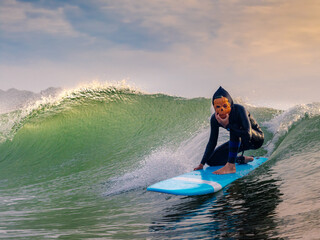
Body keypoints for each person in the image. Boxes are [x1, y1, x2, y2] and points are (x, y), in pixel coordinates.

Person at [194, 86, 264, 175]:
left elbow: (248, 134)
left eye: (224, 106)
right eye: (218, 107)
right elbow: (212, 142)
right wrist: (202, 164)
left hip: (255, 139)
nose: (222, 109)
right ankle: (241, 159)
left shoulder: (239, 110)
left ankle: (231, 166)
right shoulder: (215, 119)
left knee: (234, 124)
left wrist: (227, 125)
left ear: (230, 104)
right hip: (239, 140)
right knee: (211, 160)